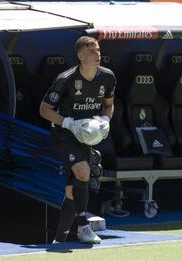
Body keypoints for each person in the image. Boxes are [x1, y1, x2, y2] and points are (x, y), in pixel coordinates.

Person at [39, 36, 116, 244]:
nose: (97, 54)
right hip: (63, 134)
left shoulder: (107, 77)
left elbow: (109, 104)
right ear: (80, 55)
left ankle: (59, 238)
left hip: (86, 137)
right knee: (83, 172)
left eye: (98, 50)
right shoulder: (65, 80)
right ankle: (83, 226)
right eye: (91, 51)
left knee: (72, 191)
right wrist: (68, 123)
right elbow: (44, 110)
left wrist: (105, 120)